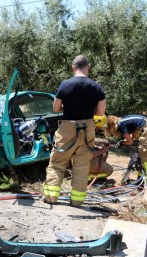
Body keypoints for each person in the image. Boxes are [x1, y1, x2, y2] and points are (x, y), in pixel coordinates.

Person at [43, 55, 106, 207]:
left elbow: (56, 108)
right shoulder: (96, 87)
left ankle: (51, 197)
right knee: (82, 165)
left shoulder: (65, 85)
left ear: (73, 67)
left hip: (67, 128)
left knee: (57, 162)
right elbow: (100, 113)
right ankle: (77, 202)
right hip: (87, 129)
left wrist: (69, 107)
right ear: (88, 66)